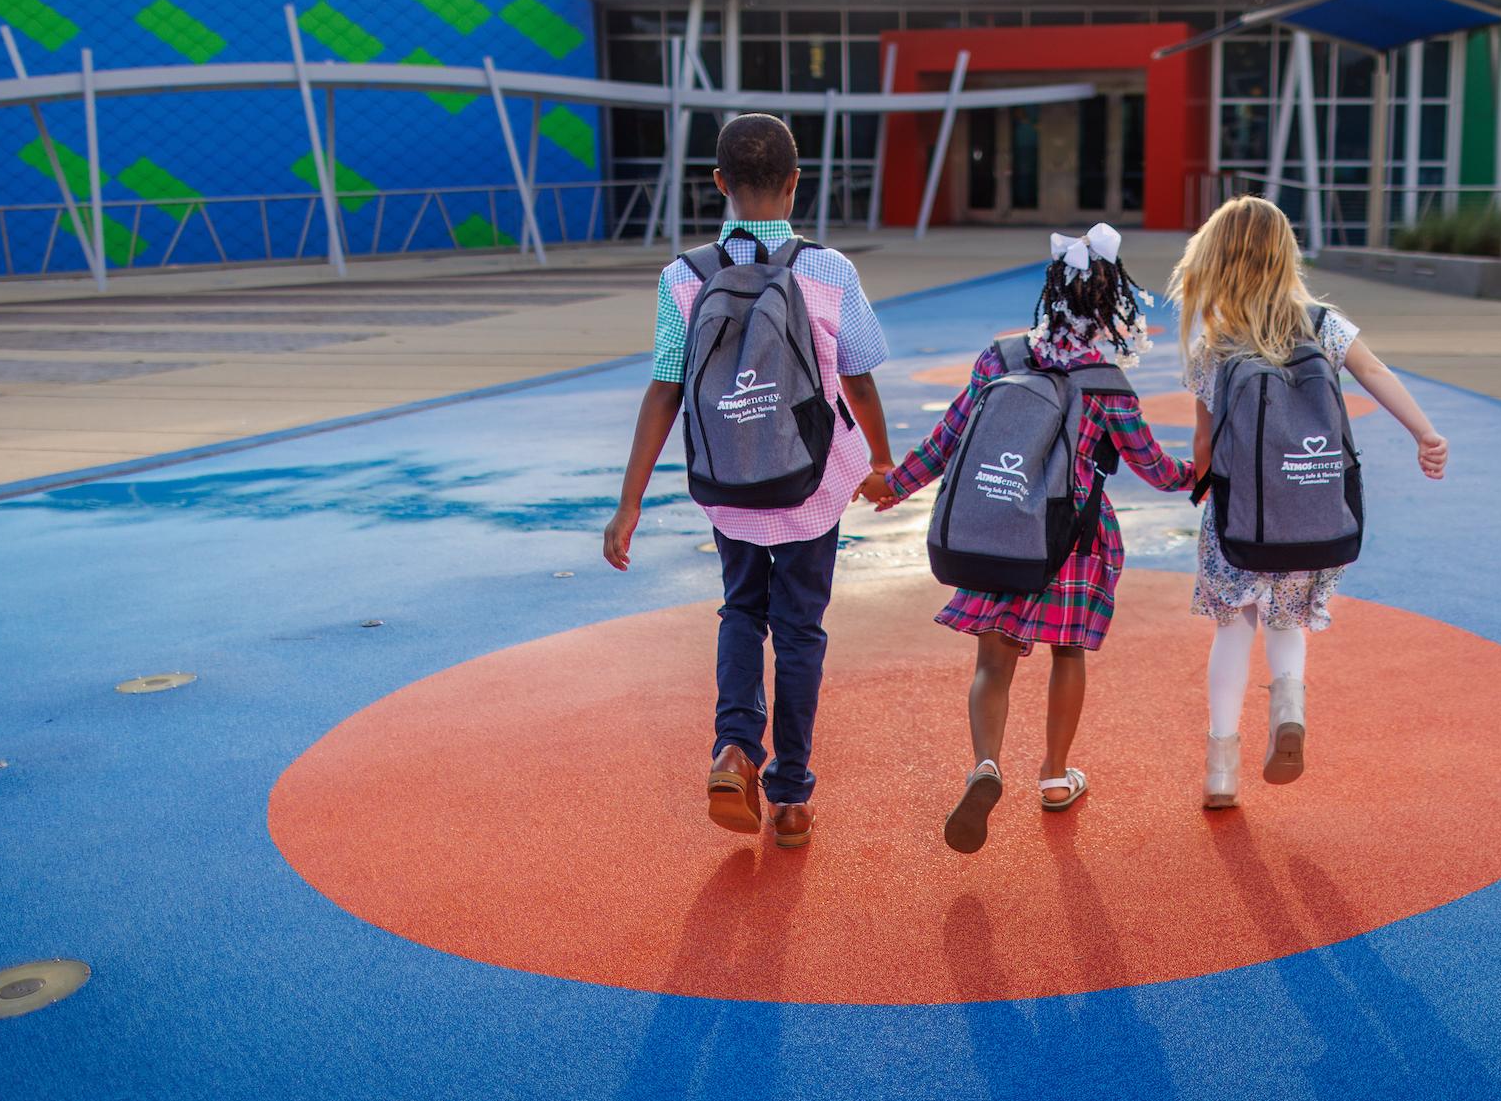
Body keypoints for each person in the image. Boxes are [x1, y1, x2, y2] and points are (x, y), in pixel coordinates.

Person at [600, 114, 892, 850]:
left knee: (741, 610)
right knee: (800, 629)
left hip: (728, 481)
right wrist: (884, 462)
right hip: (811, 484)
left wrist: (629, 502)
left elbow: (665, 388)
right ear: (797, 183)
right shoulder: (830, 271)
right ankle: (791, 796)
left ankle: (735, 748)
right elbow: (858, 376)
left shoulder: (683, 277)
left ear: (719, 183)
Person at [870, 224, 1193, 853]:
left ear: (1050, 295)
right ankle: (1052, 775)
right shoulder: (1108, 384)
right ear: (1111, 307)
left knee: (993, 663)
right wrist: (1202, 477)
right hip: (1071, 543)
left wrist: (893, 486)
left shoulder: (1002, 358)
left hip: (996, 531)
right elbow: (1155, 468)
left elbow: (947, 441)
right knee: (1065, 653)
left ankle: (985, 764)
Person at [1168, 196, 1448, 809]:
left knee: (1233, 626)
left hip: (1240, 518)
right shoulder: (1324, 325)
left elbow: (1204, 445)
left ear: (1214, 260)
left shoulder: (1215, 345)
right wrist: (1424, 433)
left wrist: (1193, 477)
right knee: (1288, 620)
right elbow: (1376, 373)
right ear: (1285, 255)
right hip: (1311, 509)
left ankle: (1220, 770)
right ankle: (1288, 704)